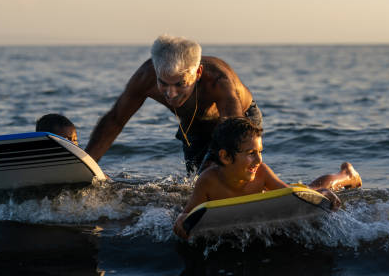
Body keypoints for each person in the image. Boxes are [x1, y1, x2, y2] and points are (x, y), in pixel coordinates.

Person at [85, 34, 262, 173]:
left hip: (238, 120)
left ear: (198, 72)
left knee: (218, 174)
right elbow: (115, 119)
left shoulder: (217, 81)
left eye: (180, 84)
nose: (171, 94)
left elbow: (234, 131)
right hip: (193, 124)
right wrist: (87, 165)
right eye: (163, 83)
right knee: (196, 183)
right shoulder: (145, 77)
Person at [173, 117, 362, 239]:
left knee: (314, 187)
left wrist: (321, 193)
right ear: (225, 156)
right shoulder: (208, 181)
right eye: (250, 153)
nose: (259, 159)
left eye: (260, 152)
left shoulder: (261, 172)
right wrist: (182, 221)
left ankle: (347, 175)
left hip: (284, 190)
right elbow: (190, 213)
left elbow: (292, 194)